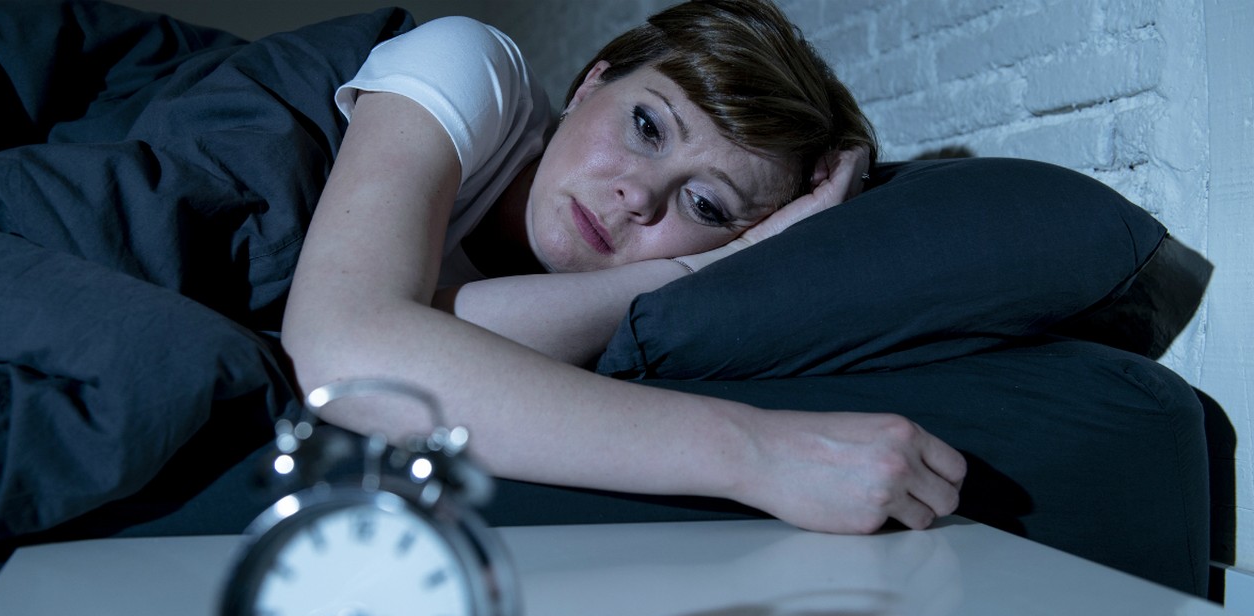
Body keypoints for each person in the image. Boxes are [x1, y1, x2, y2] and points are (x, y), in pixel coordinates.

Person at [280, 0, 966, 535]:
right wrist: (755, 450)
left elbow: (416, 351)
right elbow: (347, 347)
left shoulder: (616, 295)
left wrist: (731, 262)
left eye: (702, 202)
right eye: (646, 126)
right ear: (589, 83)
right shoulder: (468, 64)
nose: (637, 195)